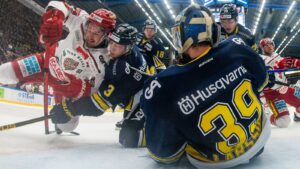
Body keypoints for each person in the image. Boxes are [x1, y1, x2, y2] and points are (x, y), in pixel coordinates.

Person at [140, 4, 270, 169]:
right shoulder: (237, 45)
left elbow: (163, 155)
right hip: (258, 142)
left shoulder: (162, 85)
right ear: (214, 31)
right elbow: (262, 81)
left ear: (180, 36)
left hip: (212, 161)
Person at [0, 1, 116, 132]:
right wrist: (56, 17)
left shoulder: (107, 59)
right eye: (90, 27)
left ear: (107, 34)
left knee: (67, 126)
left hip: (67, 86)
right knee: (4, 72)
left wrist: (79, 90)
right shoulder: (82, 20)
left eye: (97, 32)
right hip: (47, 62)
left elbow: (94, 90)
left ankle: (61, 125)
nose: (90, 34)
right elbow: (58, 3)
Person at [49, 23, 149, 147]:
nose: (111, 48)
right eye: (111, 42)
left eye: (117, 46)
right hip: (139, 94)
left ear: (128, 48)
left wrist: (69, 109)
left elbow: (98, 105)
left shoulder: (121, 70)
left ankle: (161, 130)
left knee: (129, 138)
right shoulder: (127, 49)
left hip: (146, 101)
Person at [259, 38, 300, 127]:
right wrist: (278, 66)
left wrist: (296, 63)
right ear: (262, 48)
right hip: (272, 93)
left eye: (271, 44)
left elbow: (291, 63)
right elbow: (264, 75)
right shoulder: (259, 60)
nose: (270, 46)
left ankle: (297, 116)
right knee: (283, 122)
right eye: (266, 45)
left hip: (285, 88)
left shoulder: (278, 57)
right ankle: (268, 117)